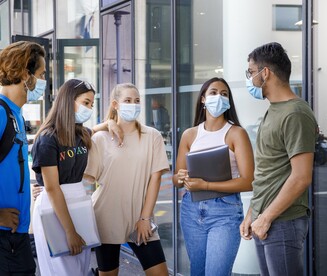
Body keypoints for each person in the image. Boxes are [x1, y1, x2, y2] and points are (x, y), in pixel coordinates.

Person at [240, 42, 318, 276]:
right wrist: (252, 214)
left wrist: (266, 218)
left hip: (282, 222)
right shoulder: (273, 110)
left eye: (251, 72)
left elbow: (301, 177)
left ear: (265, 73)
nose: (249, 79)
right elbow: (269, 170)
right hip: (266, 219)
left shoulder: (295, 113)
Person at [84, 83, 170, 276]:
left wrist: (145, 218)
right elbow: (89, 177)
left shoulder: (152, 136)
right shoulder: (101, 138)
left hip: (141, 219)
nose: (134, 104)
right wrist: (102, 127)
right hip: (106, 218)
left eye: (137, 101)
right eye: (128, 101)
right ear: (115, 104)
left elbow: (155, 179)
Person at [172, 77, 254, 276]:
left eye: (224, 94)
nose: (219, 97)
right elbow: (176, 180)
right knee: (197, 272)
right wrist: (181, 177)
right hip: (191, 211)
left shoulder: (236, 133)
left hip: (225, 212)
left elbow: (248, 181)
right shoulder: (190, 135)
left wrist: (205, 185)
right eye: (213, 92)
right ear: (203, 99)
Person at [31, 78, 95, 275]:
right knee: (61, 270)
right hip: (55, 209)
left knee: (81, 268)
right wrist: (70, 231)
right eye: (86, 103)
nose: (90, 108)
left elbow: (97, 129)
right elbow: (52, 188)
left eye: (92, 104)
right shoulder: (48, 138)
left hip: (80, 204)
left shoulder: (82, 134)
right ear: (69, 101)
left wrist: (111, 124)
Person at [0, 40, 46, 275]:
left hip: (17, 237)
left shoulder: (15, 114)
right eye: (41, 74)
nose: (43, 81)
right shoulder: (0, 112)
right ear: (24, 73)